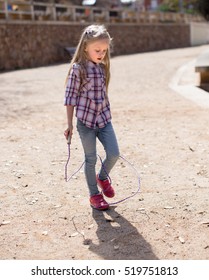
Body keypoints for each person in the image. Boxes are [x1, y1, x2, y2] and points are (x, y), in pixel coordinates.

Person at [64, 24, 119, 211]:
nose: (101, 53)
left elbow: (103, 96)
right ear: (86, 46)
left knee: (114, 153)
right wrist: (69, 124)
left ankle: (102, 178)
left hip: (104, 120)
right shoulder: (78, 69)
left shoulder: (103, 69)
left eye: (104, 50)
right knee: (90, 159)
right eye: (97, 50)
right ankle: (94, 195)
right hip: (85, 123)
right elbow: (70, 98)